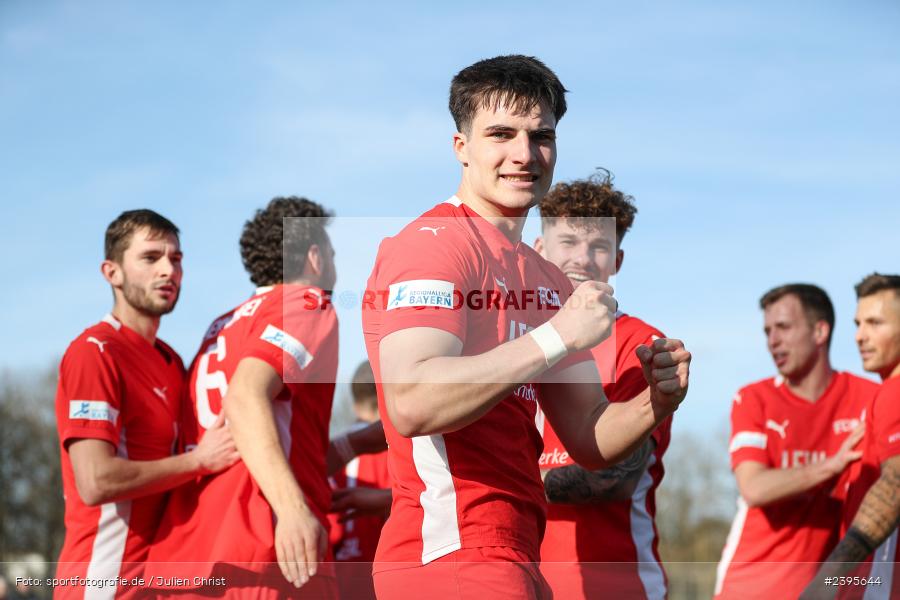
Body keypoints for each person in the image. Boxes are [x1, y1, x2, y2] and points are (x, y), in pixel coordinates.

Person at [362, 54, 692, 599]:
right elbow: (412, 401)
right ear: (461, 147)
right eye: (500, 134)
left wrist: (655, 401)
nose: (524, 154)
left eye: (541, 136)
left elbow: (588, 436)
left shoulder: (544, 280)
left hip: (517, 554)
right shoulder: (432, 245)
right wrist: (558, 335)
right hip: (449, 553)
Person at [145, 197, 350, 598]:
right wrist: (292, 510)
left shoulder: (220, 325)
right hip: (266, 548)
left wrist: (362, 439)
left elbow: (278, 434)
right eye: (332, 253)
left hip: (190, 552)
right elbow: (244, 398)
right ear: (314, 257)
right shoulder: (305, 301)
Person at [53, 210, 238, 599]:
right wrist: (198, 462)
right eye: (151, 258)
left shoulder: (172, 361)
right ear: (112, 272)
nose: (168, 270)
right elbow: (95, 481)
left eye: (176, 259)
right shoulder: (95, 352)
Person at [532, 172, 672, 599]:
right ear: (539, 250)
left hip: (618, 586)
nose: (582, 258)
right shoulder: (515, 341)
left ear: (617, 261)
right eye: (569, 242)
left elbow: (613, 477)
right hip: (520, 583)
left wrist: (500, 482)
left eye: (598, 246)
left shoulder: (641, 343)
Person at [714, 284, 879, 599]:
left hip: (832, 587)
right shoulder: (753, 398)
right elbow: (754, 488)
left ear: (820, 332)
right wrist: (831, 466)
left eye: (784, 328)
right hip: (753, 586)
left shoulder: (869, 399)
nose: (772, 340)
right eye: (767, 331)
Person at [802, 273, 900, 599]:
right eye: (858, 323)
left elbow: (896, 484)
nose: (860, 336)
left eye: (875, 323)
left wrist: (825, 581)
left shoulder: (893, 392)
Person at [328, 360, 392, 600]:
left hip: (336, 580)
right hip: (381, 579)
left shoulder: (328, 452)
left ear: (355, 403)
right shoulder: (392, 450)